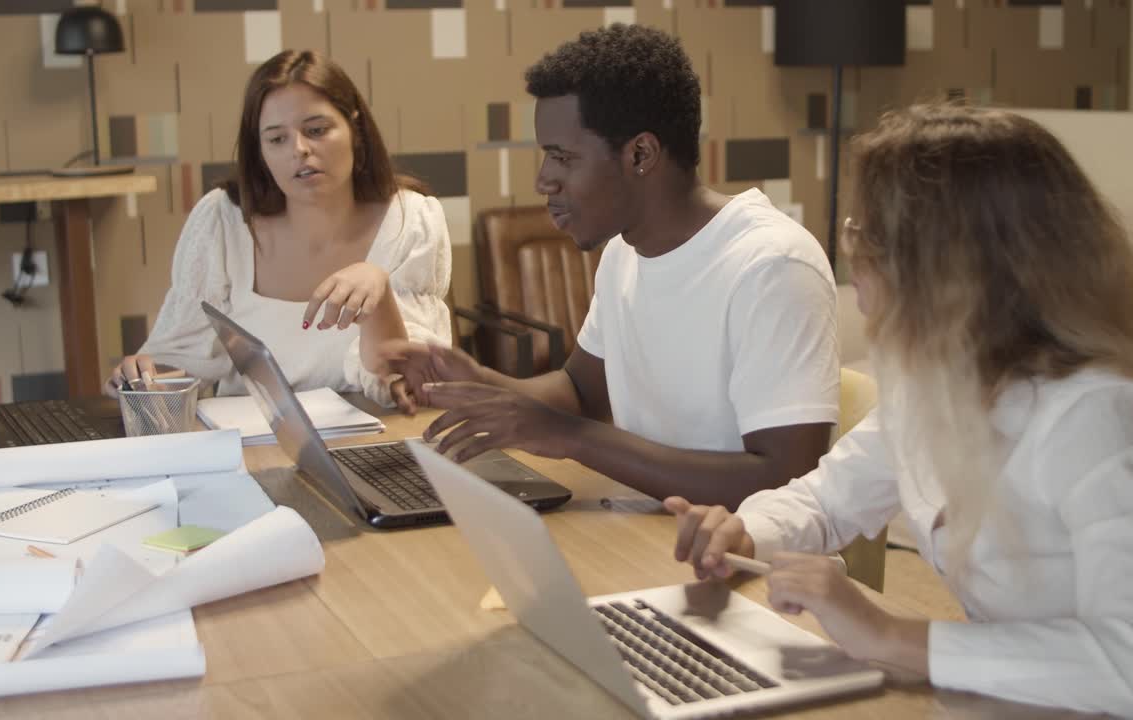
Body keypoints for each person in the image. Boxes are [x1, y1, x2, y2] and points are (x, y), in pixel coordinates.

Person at [667, 104, 1133, 719]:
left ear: (945, 271)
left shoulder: (1103, 415)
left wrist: (889, 634)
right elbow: (828, 500)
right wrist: (746, 531)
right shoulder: (940, 381)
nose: (855, 267)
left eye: (863, 240)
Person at [387, 24, 839, 510]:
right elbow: (580, 393)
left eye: (562, 157)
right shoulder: (623, 253)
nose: (543, 181)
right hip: (648, 528)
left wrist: (572, 438)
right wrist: (479, 381)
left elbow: (785, 481)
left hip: (741, 551)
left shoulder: (772, 267)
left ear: (640, 154)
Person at [107, 49, 451, 411]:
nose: (299, 150)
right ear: (260, 151)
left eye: (316, 130)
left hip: (371, 437)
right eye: (276, 139)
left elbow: (410, 385)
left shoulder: (411, 221)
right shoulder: (223, 220)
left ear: (355, 129)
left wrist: (380, 296)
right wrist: (144, 376)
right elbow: (182, 358)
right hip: (243, 439)